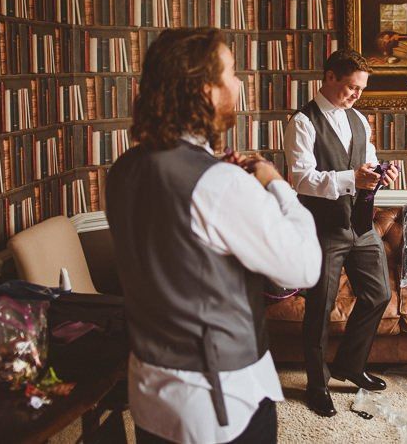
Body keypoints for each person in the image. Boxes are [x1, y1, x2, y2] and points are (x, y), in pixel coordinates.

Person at [106, 27, 322, 444]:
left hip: (152, 391)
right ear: (206, 91)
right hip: (219, 401)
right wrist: (276, 183)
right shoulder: (220, 184)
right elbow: (304, 266)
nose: (239, 84)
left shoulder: (124, 169)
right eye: (232, 73)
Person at [283, 49, 398, 418]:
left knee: (379, 294)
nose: (356, 95)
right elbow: (300, 178)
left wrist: (382, 172)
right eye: (351, 87)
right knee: (319, 309)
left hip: (362, 226)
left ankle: (350, 364)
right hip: (323, 230)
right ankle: (317, 385)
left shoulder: (359, 120)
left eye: (361, 89)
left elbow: (366, 161)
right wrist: (352, 178)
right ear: (329, 77)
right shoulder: (302, 121)